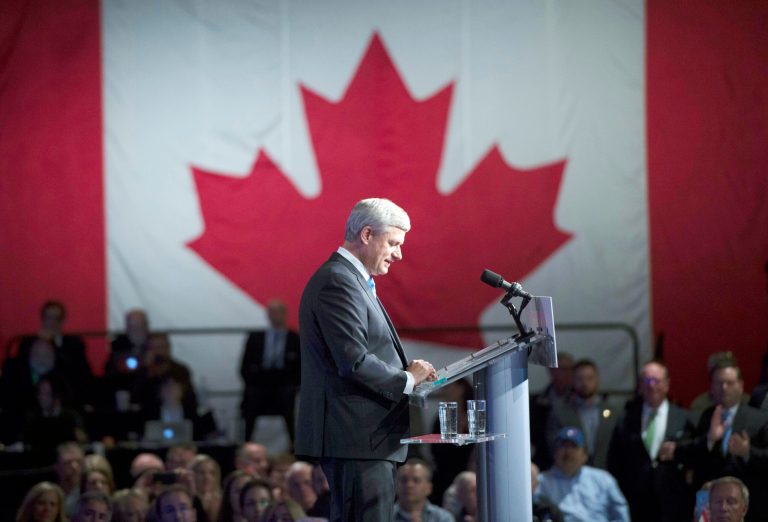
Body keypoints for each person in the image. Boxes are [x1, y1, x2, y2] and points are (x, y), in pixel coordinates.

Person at [295, 198, 438, 522]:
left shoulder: (353, 280)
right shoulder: (338, 281)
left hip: (363, 441)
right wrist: (407, 379)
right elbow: (353, 361)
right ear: (367, 234)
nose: (398, 254)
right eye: (393, 243)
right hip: (355, 440)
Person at [674, 359, 768, 521]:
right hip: (710, 509)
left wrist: (748, 453)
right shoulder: (701, 418)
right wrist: (709, 440)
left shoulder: (759, 419)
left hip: (750, 508)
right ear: (711, 387)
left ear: (741, 385)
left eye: (730, 383)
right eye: (719, 383)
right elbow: (683, 453)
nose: (724, 388)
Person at [607, 360, 695, 521]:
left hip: (674, 503)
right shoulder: (626, 418)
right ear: (640, 386)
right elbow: (614, 460)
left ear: (667, 384)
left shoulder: (683, 417)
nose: (652, 386)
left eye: (657, 381)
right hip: (636, 503)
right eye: (647, 381)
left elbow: (693, 456)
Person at [239, 299, 301, 443]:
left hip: (284, 381)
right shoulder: (255, 338)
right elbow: (244, 366)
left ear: (285, 314)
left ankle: (293, 443)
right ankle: (247, 441)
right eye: (272, 312)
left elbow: (301, 368)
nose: (276, 316)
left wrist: (295, 384)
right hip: (260, 381)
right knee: (251, 398)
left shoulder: (294, 339)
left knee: (288, 399)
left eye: (279, 312)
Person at [537, 427, 629, 522]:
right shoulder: (540, 482)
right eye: (563, 445)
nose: (568, 452)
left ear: (584, 455)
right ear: (554, 452)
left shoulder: (603, 480)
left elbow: (621, 515)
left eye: (573, 446)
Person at [546, 359, 620, 468]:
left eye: (589, 378)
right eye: (580, 378)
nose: (584, 383)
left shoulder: (613, 412)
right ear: (573, 380)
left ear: (598, 380)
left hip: (606, 472)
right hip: (571, 473)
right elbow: (553, 445)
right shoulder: (560, 413)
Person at [531, 352, 575, 470]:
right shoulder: (535, 403)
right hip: (544, 465)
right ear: (551, 371)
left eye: (570, 369)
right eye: (562, 369)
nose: (567, 373)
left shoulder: (580, 402)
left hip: (574, 464)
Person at [53, 441, 85, 516]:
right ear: (57, 467)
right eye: (68, 462)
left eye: (79, 461)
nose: (74, 467)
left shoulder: (90, 493)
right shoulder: (50, 496)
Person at [190, 454, 222, 522]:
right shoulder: (188, 502)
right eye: (201, 472)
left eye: (212, 473)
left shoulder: (223, 502)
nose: (207, 477)